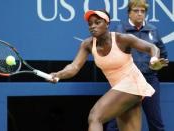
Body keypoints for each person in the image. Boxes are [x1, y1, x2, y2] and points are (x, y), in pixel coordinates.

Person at [49, 9, 168, 131]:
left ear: (107, 23)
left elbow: (152, 47)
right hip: (122, 89)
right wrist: (59, 74)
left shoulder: (122, 39)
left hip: (133, 84)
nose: (93, 26)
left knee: (95, 117)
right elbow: (74, 67)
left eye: (97, 22)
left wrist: (154, 60)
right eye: (90, 24)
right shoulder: (87, 44)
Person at [105, 0, 168, 131]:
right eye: (136, 11)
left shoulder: (153, 30)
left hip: (149, 80)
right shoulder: (119, 30)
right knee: (114, 122)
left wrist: (156, 64)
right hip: (126, 81)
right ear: (129, 13)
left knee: (156, 122)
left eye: (142, 11)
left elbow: (162, 53)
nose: (140, 14)